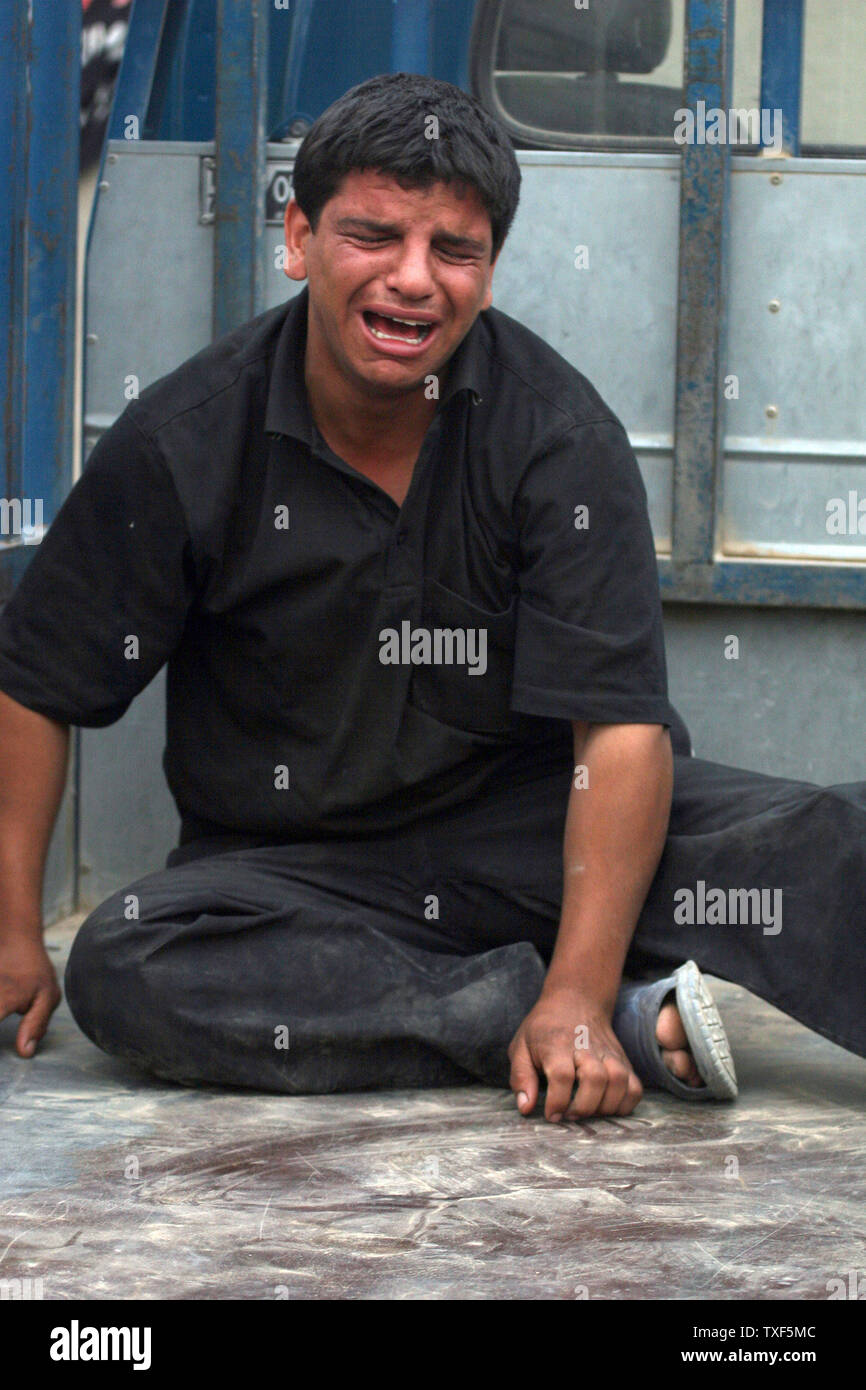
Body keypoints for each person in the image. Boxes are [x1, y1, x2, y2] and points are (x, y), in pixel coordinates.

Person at [0, 74, 863, 1123]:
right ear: (297, 237)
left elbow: (619, 735)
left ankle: (575, 985)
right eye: (372, 236)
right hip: (295, 876)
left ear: (488, 273)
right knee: (130, 961)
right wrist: (10, 929)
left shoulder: (557, 437)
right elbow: (38, 680)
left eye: (452, 251)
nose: (413, 280)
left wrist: (574, 985)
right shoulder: (184, 439)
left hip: (538, 838)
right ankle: (543, 1014)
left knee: (820, 836)